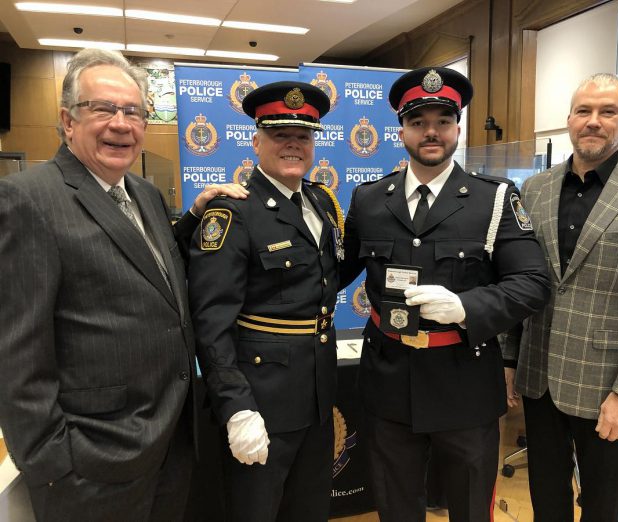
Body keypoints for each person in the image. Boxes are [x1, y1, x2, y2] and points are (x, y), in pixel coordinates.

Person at [0, 48, 239, 522]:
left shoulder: (145, 193)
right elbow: (17, 358)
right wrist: (54, 469)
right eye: (103, 108)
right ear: (68, 121)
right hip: (92, 466)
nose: (121, 123)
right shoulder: (29, 200)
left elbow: (144, 269)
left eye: (133, 111)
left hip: (171, 444)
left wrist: (194, 217)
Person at [338, 67, 551, 522]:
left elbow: (533, 282)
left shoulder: (493, 199)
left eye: (442, 120)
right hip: (389, 381)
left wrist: (466, 306)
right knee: (395, 507)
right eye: (418, 122)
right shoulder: (370, 200)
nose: (430, 132)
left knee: (471, 508)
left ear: (458, 127)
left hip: (465, 382)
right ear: (402, 130)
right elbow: (332, 271)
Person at [503, 73, 618, 522]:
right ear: (568, 119)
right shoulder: (535, 189)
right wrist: (510, 361)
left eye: (607, 112)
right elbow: (520, 282)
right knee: (546, 497)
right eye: (584, 111)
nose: (593, 121)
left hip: (609, 383)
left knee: (603, 504)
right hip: (540, 375)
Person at [187, 81, 342, 522]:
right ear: (256, 141)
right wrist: (236, 407)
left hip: (315, 399)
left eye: (304, 136)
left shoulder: (321, 203)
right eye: (280, 135)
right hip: (262, 404)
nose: (293, 144)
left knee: (309, 511)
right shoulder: (233, 212)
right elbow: (211, 323)